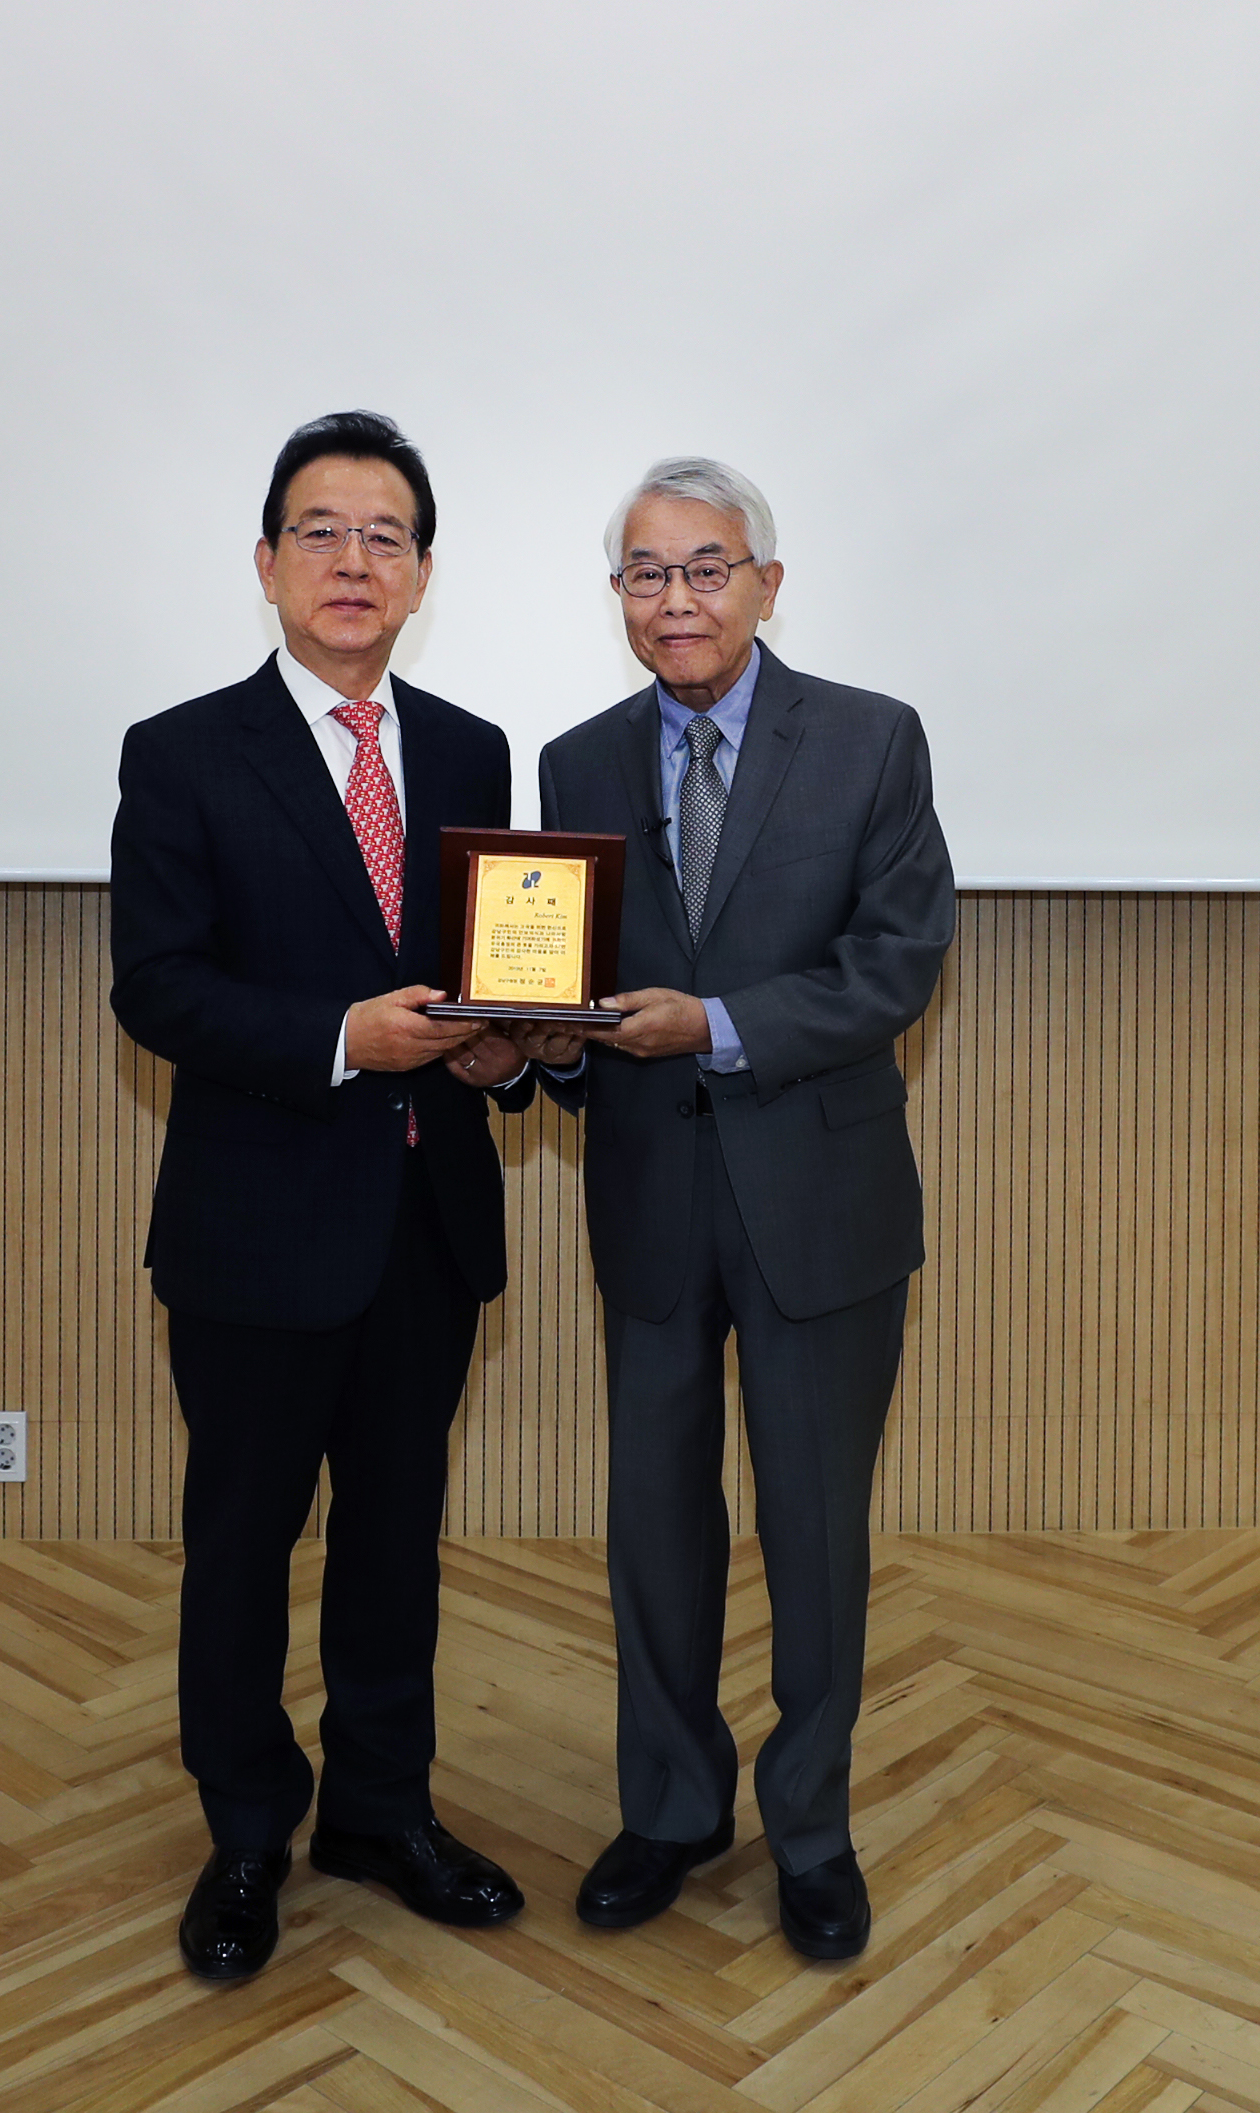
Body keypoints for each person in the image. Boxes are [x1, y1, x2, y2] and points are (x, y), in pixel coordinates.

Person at [109, 410, 531, 1980]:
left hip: (426, 1226)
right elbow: (154, 988)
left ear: (424, 570)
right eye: (323, 531)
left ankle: (380, 1807)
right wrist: (341, 1039)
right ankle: (242, 1828)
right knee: (240, 1542)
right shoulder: (179, 751)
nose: (355, 561)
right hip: (254, 1230)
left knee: (397, 1537)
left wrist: (501, 1057)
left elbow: (501, 986)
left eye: (386, 535)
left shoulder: (478, 750)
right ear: (269, 560)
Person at [518, 457, 955, 1958]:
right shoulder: (573, 765)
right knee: (654, 1521)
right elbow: (569, 994)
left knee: (817, 1530)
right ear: (620, 598)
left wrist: (705, 1023)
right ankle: (671, 1806)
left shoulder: (872, 742)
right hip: (646, 1194)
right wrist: (541, 1042)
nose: (677, 598)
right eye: (647, 572)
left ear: (768, 582)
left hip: (819, 1198)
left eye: (706, 567)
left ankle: (814, 1828)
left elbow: (895, 967)